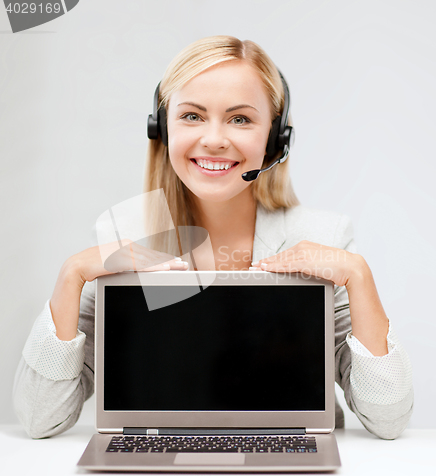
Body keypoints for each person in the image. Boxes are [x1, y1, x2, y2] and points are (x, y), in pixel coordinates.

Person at [13, 35, 413, 440]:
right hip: (157, 461)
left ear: (276, 139)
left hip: (286, 453)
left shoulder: (322, 237)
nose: (215, 139)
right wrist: (72, 274)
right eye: (192, 116)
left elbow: (388, 419)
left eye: (240, 119)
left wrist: (358, 275)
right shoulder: (127, 232)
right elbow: (40, 417)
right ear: (162, 128)